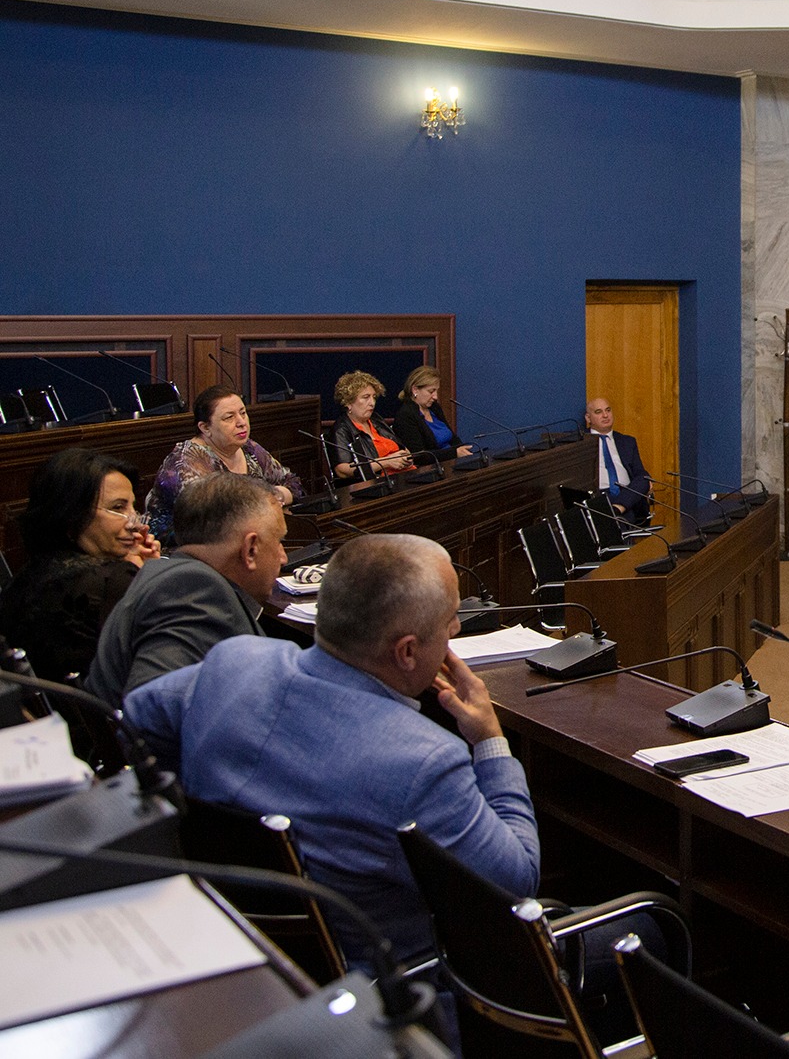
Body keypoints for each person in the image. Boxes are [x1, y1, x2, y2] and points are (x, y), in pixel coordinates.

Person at [122, 533, 536, 964]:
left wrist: (193, 810)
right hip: (390, 983)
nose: (456, 629)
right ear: (408, 652)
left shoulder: (235, 660)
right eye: (450, 619)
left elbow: (136, 717)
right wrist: (490, 741)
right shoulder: (424, 761)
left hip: (231, 938)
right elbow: (516, 884)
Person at [88, 474, 286, 708]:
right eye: (279, 541)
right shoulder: (192, 591)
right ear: (250, 550)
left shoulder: (178, 578)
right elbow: (153, 707)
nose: (283, 557)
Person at [0, 448, 162, 688]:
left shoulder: (21, 579)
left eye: (133, 508)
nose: (135, 523)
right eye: (118, 508)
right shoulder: (111, 580)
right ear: (72, 514)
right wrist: (150, 578)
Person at [145, 385, 303, 546]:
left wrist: (275, 496)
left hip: (242, 543)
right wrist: (266, 501)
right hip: (182, 551)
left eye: (243, 413)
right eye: (229, 417)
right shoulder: (186, 462)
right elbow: (215, 520)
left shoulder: (249, 448)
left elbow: (293, 484)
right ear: (205, 428)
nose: (241, 422)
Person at [328, 371, 415, 482]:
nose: (372, 403)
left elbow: (401, 446)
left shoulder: (375, 419)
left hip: (406, 474)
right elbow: (342, 471)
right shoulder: (341, 429)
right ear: (348, 403)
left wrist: (407, 457)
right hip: (380, 482)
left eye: (374, 397)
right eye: (366, 397)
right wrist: (386, 462)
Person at [585, 398, 652, 523]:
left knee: (644, 479)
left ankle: (617, 509)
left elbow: (639, 472)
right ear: (588, 418)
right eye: (598, 412)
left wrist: (646, 480)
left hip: (627, 494)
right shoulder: (580, 442)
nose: (605, 415)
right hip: (599, 496)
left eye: (608, 410)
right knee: (620, 522)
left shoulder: (627, 441)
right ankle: (616, 513)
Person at [390, 366, 474, 465]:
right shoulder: (405, 416)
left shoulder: (434, 408)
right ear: (415, 390)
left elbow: (453, 439)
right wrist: (454, 453)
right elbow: (419, 456)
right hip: (431, 469)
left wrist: (463, 450)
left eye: (436, 391)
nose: (435, 397)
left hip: (451, 463)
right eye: (431, 391)